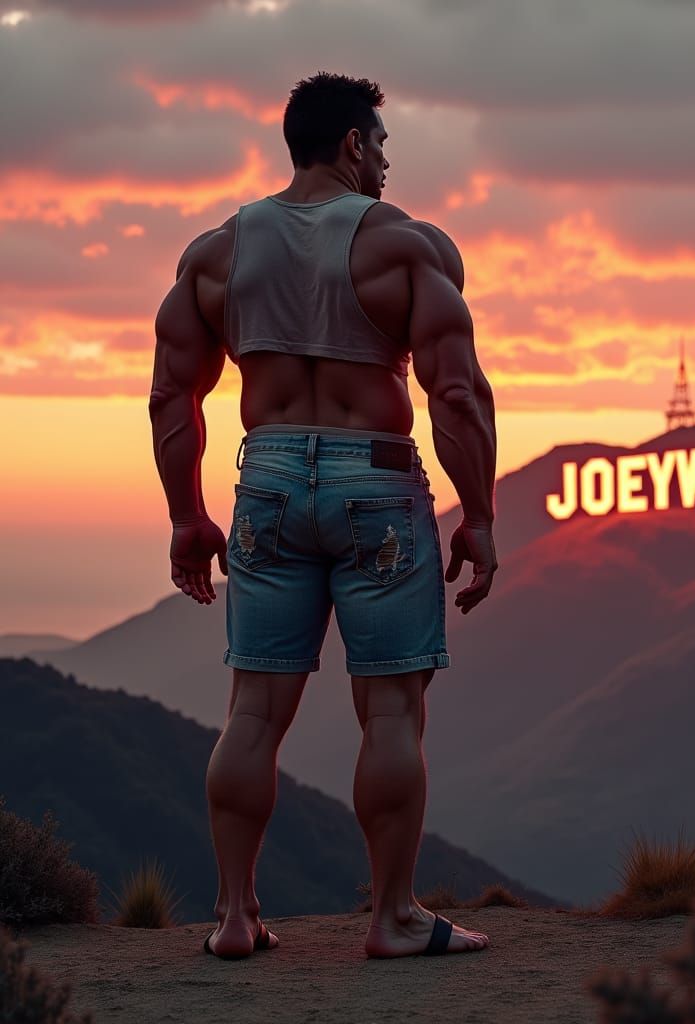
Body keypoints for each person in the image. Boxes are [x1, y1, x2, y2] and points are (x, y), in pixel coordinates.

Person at [148, 72, 498, 960]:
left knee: (253, 712)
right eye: (380, 146)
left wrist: (188, 518)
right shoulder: (406, 247)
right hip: (372, 484)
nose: (385, 163)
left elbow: (171, 401)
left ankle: (233, 918)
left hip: (264, 480)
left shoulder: (215, 253)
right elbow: (455, 394)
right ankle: (393, 920)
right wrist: (482, 518)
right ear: (351, 144)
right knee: (389, 714)